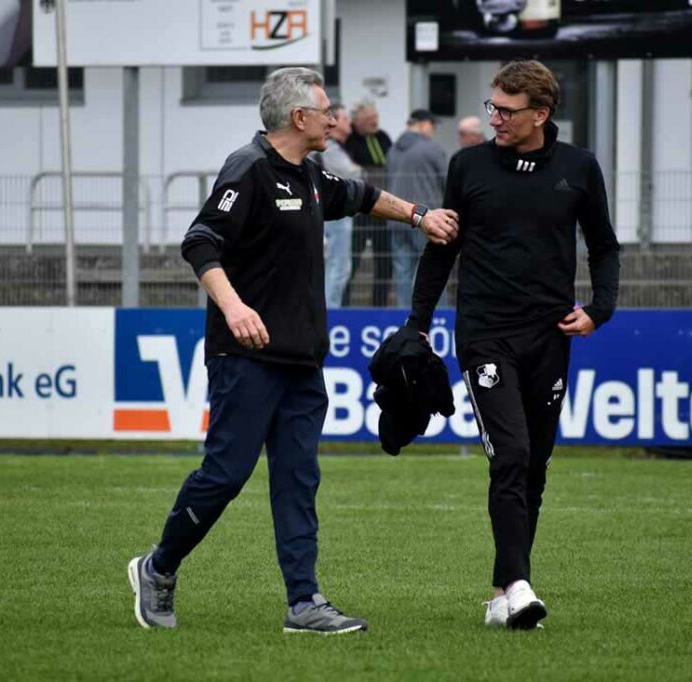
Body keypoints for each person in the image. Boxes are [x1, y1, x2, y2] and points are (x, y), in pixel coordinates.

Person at [127, 67, 459, 634]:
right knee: (225, 476)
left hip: (303, 363)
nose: (335, 119)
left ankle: (303, 602)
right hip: (245, 357)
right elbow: (200, 240)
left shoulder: (309, 174)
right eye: (326, 110)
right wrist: (233, 306)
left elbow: (360, 195)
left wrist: (418, 215)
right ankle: (158, 568)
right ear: (299, 118)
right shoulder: (248, 168)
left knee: (299, 478)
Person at [405, 60, 620, 630]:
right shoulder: (467, 165)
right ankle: (521, 587)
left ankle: (504, 592)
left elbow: (604, 245)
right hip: (486, 335)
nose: (493, 117)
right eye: (492, 106)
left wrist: (600, 309)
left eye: (506, 109)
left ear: (541, 114)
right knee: (512, 455)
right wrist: (417, 323)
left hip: (550, 336)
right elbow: (441, 249)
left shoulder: (579, 168)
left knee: (535, 468)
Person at [386, 109, 447, 308]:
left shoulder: (393, 150)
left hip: (396, 217)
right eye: (432, 125)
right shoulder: (430, 148)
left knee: (402, 273)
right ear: (422, 124)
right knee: (432, 270)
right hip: (425, 219)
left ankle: (404, 317)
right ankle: (436, 316)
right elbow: (447, 180)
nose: (433, 130)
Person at [344, 101, 394, 306]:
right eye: (369, 119)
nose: (375, 122)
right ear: (356, 122)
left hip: (382, 209)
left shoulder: (382, 137)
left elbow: (390, 163)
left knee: (384, 262)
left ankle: (379, 305)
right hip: (359, 211)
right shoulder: (349, 141)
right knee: (353, 261)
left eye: (376, 118)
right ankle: (344, 303)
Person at [316, 103, 360, 308]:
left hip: (331, 213)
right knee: (339, 265)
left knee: (339, 265)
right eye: (345, 118)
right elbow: (351, 173)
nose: (348, 122)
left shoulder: (335, 148)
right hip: (334, 215)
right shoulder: (329, 149)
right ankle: (331, 311)